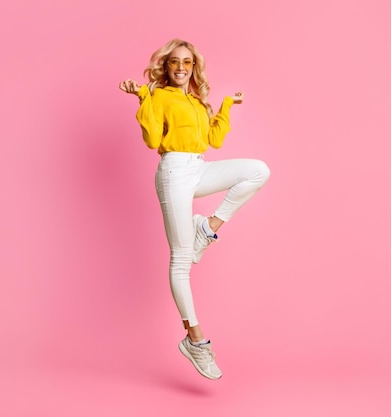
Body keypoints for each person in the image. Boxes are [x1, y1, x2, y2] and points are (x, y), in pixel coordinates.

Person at [119, 39, 270, 380]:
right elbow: (152, 139)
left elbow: (214, 141)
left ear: (194, 66)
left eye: (187, 62)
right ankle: (195, 339)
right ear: (166, 66)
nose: (181, 67)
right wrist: (144, 98)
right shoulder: (159, 96)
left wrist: (227, 104)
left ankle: (207, 228)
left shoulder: (198, 100)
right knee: (181, 260)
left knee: (258, 170)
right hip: (173, 171)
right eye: (175, 61)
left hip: (199, 167)